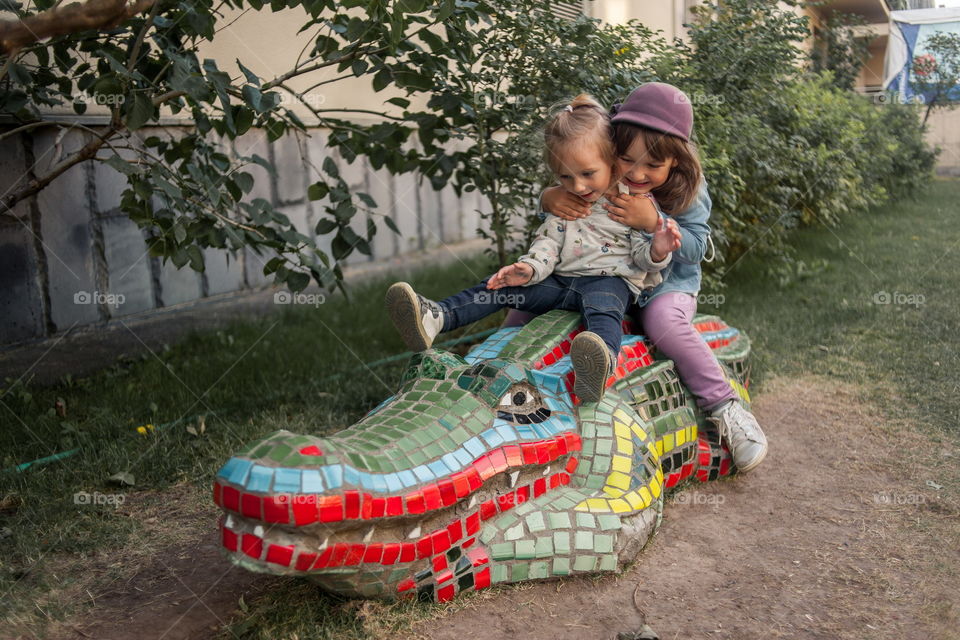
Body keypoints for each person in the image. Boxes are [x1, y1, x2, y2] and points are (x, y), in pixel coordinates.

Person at [386, 94, 681, 403]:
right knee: (501, 286)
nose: (578, 186)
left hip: (609, 281)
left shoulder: (630, 202)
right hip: (559, 281)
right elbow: (549, 242)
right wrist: (529, 268)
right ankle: (437, 316)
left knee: (603, 311)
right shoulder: (565, 200)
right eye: (565, 176)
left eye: (587, 174)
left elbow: (640, 257)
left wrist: (657, 249)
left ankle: (600, 364)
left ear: (611, 161)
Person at [539, 82, 768, 472]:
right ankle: (489, 368)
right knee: (532, 293)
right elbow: (576, 177)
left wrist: (656, 222)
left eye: (652, 166)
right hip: (608, 276)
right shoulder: (609, 171)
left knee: (662, 322)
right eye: (628, 160)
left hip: (668, 285)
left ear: (676, 161)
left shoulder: (688, 191)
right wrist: (548, 197)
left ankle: (726, 408)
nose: (638, 173)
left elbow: (697, 249)